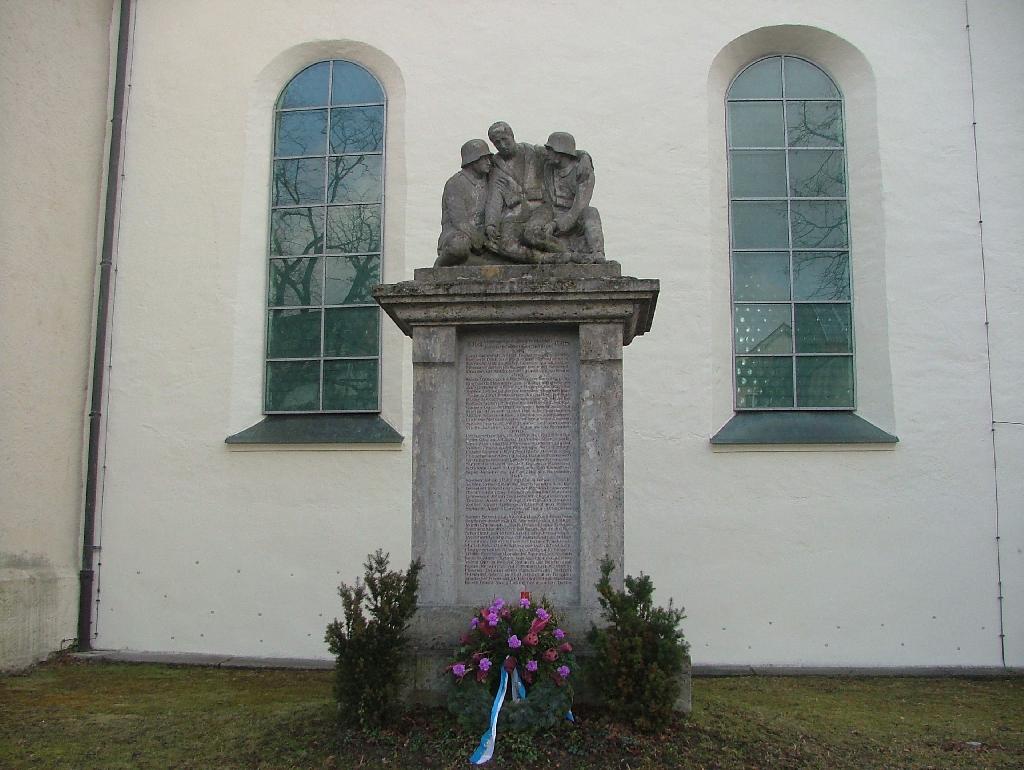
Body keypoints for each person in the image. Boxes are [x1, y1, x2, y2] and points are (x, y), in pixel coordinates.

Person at [527, 131, 604, 259]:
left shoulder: (583, 172)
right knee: (531, 230)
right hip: (550, 211)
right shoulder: (549, 163)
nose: (547, 153)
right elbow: (532, 149)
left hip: (573, 217)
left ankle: (597, 253)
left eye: (550, 150)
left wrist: (555, 224)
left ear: (561, 152)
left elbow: (579, 208)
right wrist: (585, 154)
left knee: (591, 213)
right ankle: (557, 253)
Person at [483, 121, 547, 263]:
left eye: (505, 139)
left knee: (534, 234)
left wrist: (584, 156)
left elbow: (561, 154)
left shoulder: (534, 152)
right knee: (505, 245)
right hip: (514, 213)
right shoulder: (494, 165)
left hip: (540, 209)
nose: (502, 145)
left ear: (512, 135)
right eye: (497, 143)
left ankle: (563, 254)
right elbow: (494, 197)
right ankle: (544, 259)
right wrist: (491, 224)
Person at [435, 139, 493, 266]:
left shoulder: (491, 181)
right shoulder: (455, 183)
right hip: (459, 234)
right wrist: (479, 240)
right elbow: (459, 221)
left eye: (489, 158)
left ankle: (478, 262)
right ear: (472, 160)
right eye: (484, 159)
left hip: (484, 237)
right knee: (459, 246)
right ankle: (441, 265)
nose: (489, 162)